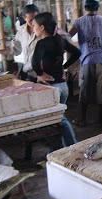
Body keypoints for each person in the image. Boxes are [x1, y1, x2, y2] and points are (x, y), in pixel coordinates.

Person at [32, 12, 80, 147]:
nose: (33, 28)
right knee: (56, 119)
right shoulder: (59, 39)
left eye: (34, 25)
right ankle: (61, 148)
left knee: (59, 119)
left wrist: (40, 74)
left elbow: (34, 63)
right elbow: (77, 53)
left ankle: (71, 145)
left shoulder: (41, 44)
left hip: (52, 88)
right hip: (63, 86)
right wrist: (64, 67)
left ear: (42, 27)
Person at [69, 0, 102, 127]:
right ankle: (100, 119)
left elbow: (67, 36)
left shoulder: (79, 21)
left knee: (85, 90)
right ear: (98, 7)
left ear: (85, 8)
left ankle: (82, 119)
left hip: (87, 60)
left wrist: (79, 47)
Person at [0, 4, 39, 81]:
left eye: (35, 19)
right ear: (24, 18)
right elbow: (14, 49)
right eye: (30, 20)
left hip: (45, 74)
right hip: (30, 74)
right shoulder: (22, 31)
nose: (33, 23)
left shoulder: (44, 29)